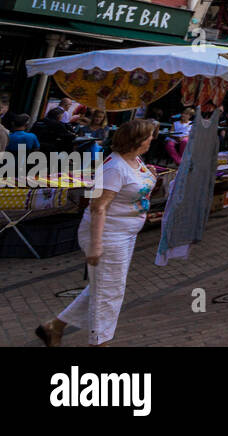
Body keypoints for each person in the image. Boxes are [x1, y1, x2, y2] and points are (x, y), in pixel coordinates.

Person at [36, 118, 159, 346]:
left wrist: (149, 174)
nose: (153, 139)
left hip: (125, 233)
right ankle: (99, 341)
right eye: (150, 136)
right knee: (109, 293)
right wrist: (95, 244)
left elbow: (136, 186)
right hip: (110, 235)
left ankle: (54, 327)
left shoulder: (136, 160)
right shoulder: (114, 168)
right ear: (138, 140)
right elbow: (97, 207)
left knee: (104, 285)